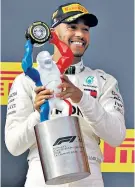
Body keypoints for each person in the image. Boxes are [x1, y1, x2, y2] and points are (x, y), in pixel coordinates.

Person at [5, 2, 126, 187]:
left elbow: (116, 136)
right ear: (52, 32)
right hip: (42, 173)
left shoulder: (104, 81)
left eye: (85, 29)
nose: (80, 34)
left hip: (89, 175)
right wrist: (39, 114)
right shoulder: (27, 80)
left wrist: (82, 99)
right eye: (72, 27)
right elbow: (14, 146)